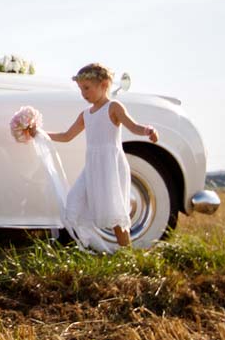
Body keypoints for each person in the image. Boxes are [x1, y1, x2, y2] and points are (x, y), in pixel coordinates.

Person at [45, 62, 158, 250]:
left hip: (110, 165)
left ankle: (127, 254)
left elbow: (133, 126)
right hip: (92, 166)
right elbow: (66, 136)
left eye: (87, 88)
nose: (84, 93)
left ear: (104, 84)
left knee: (114, 211)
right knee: (73, 201)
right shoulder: (86, 115)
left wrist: (148, 130)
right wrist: (40, 133)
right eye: (81, 89)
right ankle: (82, 245)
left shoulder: (113, 107)